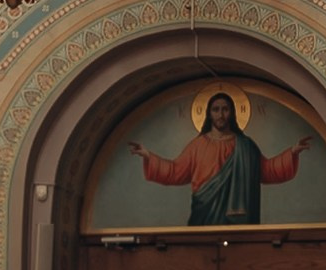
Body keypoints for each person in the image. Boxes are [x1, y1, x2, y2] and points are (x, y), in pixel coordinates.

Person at [130, 89, 316, 226]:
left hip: (240, 220)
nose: (221, 114)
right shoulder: (198, 145)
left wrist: (292, 152)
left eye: (225, 109)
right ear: (209, 114)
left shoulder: (246, 145)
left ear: (232, 113)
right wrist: (149, 156)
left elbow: (266, 170)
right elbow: (175, 171)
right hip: (205, 213)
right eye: (216, 110)